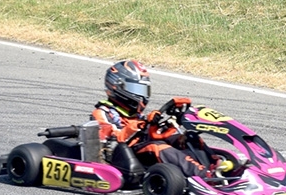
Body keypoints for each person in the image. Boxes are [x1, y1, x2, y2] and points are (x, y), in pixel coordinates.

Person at [91, 60, 222, 178]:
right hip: (123, 155)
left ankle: (217, 165)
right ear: (117, 86)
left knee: (189, 137)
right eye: (136, 88)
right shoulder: (102, 113)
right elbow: (115, 139)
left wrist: (170, 123)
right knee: (158, 147)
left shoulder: (133, 115)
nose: (141, 95)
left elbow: (153, 134)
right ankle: (205, 175)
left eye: (143, 90)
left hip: (142, 147)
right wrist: (142, 124)